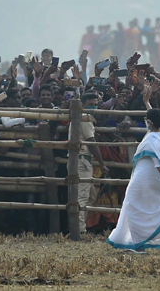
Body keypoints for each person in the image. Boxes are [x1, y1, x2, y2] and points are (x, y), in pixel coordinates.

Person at [107, 104, 160, 254]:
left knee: (132, 205)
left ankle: (138, 245)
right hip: (153, 177)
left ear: (149, 122)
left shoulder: (152, 138)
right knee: (158, 207)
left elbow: (156, 158)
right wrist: (147, 102)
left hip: (146, 176)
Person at [70, 93, 109, 232]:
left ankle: (80, 226)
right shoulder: (85, 118)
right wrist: (102, 163)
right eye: (91, 104)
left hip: (82, 160)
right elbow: (91, 142)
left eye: (95, 104)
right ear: (83, 104)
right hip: (82, 160)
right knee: (82, 196)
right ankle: (79, 230)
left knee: (90, 195)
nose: (93, 107)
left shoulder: (84, 118)